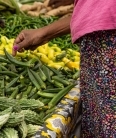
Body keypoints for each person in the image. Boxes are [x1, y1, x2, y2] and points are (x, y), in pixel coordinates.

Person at [12, 0, 116, 137]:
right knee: (100, 120)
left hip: (108, 41)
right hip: (97, 43)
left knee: (109, 122)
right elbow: (93, 10)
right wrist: (45, 33)